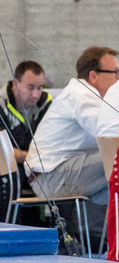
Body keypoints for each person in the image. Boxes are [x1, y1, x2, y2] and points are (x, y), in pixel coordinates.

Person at [26, 46, 119, 239]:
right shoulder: (82, 96)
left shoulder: (88, 96)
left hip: (58, 172)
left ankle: (107, 241)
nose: (118, 78)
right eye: (115, 72)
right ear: (94, 76)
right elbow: (108, 134)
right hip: (50, 178)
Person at [0, 60, 51, 221]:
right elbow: (3, 150)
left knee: (57, 173)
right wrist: (34, 157)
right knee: (12, 175)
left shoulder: (45, 103)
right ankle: (10, 230)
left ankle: (62, 232)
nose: (36, 94)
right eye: (30, 88)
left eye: (40, 87)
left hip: (28, 163)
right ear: (16, 84)